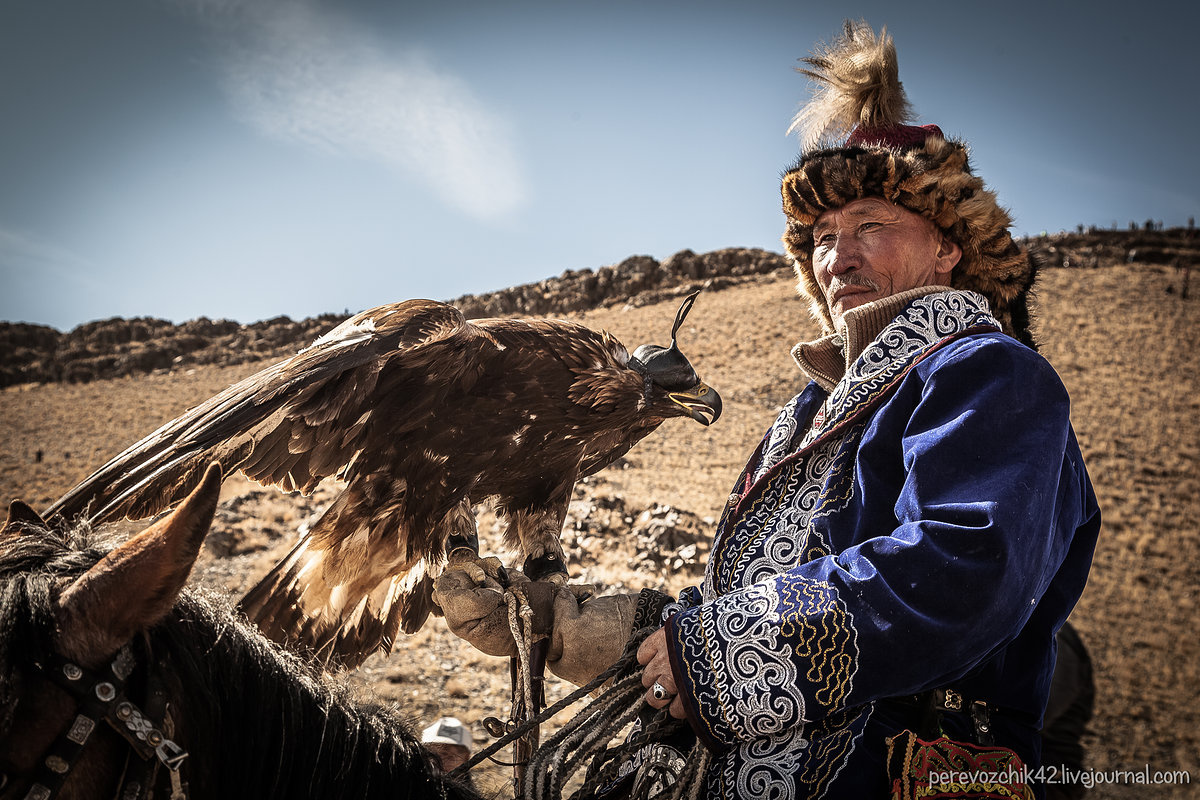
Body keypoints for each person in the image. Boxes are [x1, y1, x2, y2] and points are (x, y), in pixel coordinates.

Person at [434, 21, 1101, 800]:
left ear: (949, 248)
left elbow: (964, 569)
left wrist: (711, 659)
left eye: (872, 226)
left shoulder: (989, 372)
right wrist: (560, 626)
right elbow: (724, 610)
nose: (838, 257)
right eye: (822, 236)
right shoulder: (808, 412)